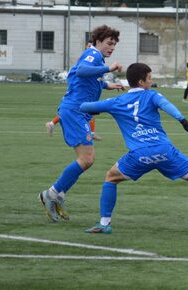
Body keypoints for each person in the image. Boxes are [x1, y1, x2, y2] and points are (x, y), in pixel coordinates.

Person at [80, 63, 188, 234]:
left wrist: (92, 90)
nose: (151, 81)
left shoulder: (116, 101)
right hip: (164, 151)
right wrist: (183, 121)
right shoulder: (152, 95)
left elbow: (85, 107)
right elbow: (168, 106)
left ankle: (104, 224)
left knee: (111, 178)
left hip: (139, 155)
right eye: (149, 78)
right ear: (141, 82)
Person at [38, 25, 124, 222]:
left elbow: (83, 76)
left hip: (79, 112)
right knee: (87, 159)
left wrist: (106, 84)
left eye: (114, 45)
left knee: (87, 160)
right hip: (75, 111)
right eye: (109, 43)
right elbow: (83, 71)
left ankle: (57, 193)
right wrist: (108, 69)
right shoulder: (93, 55)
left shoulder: (95, 56)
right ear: (98, 42)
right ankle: (51, 194)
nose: (112, 48)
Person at [45, 40, 103, 141]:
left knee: (84, 111)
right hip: (79, 93)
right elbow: (79, 74)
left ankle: (52, 124)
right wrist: (107, 69)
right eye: (88, 46)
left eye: (91, 46)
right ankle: (90, 133)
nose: (90, 48)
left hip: (85, 93)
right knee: (74, 111)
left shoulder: (93, 59)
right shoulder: (86, 60)